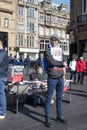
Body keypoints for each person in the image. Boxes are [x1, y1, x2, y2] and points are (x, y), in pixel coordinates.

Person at [44, 34, 66, 128]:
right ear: (50, 41)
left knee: (59, 98)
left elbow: (65, 60)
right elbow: (51, 62)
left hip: (60, 76)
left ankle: (59, 116)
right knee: (49, 98)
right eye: (52, 40)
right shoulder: (48, 51)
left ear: (58, 41)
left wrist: (62, 64)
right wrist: (62, 64)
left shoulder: (60, 51)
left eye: (56, 40)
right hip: (52, 77)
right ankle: (47, 119)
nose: (54, 42)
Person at [0, 40, 9, 119]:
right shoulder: (2, 52)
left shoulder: (2, 53)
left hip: (1, 76)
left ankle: (2, 112)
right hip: (2, 75)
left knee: (1, 94)